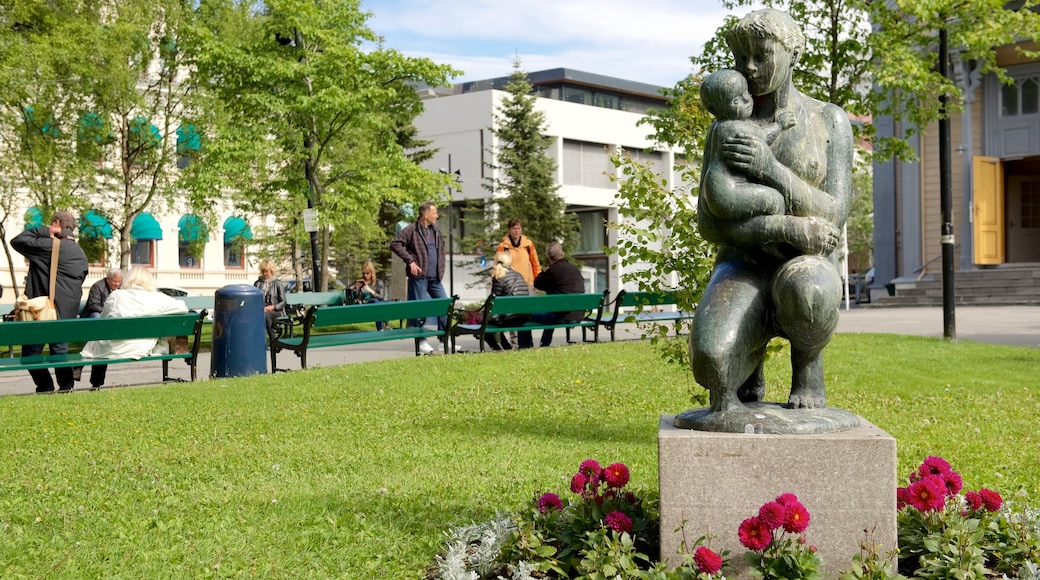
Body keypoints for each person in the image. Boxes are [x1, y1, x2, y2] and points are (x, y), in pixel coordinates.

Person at [690, 8, 853, 417]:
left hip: (805, 262)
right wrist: (780, 226)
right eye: (741, 57)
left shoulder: (828, 120)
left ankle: (807, 367)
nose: (749, 67)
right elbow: (709, 222)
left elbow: (833, 214)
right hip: (743, 263)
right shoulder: (727, 125)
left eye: (761, 55)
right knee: (712, 362)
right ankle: (749, 362)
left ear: (791, 52)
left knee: (809, 294)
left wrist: (769, 170)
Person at [11, 210, 89, 393]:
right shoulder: (80, 253)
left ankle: (45, 386)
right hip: (67, 313)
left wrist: (46, 230)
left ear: (56, 223)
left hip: (43, 312)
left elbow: (18, 240)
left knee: (30, 354)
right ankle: (66, 386)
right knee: (59, 351)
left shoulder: (50, 246)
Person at [80, 266, 189, 390]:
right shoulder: (157, 298)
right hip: (139, 348)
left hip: (111, 348)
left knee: (98, 339)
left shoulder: (116, 296)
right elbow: (183, 307)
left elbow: (104, 320)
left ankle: (96, 384)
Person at [699, 69, 788, 221]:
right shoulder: (731, 126)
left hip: (718, 190)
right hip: (727, 192)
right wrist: (780, 125)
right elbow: (763, 135)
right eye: (736, 100)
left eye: (746, 93)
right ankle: (770, 241)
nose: (747, 100)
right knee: (775, 201)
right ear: (715, 109)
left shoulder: (717, 127)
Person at [389, 201, 447, 355]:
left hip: (435, 277)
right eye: (434, 213)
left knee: (445, 305)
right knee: (420, 309)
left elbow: (441, 249)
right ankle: (422, 341)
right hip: (419, 277)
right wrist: (410, 261)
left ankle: (443, 341)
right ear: (425, 214)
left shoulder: (436, 231)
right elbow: (395, 244)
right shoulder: (411, 230)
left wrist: (441, 267)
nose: (437, 216)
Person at [532, 242, 586, 347]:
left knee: (526, 315)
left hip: (562, 316)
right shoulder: (575, 270)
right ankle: (544, 343)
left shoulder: (553, 271)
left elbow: (537, 283)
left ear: (549, 258)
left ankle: (527, 345)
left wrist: (546, 270)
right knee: (552, 311)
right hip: (579, 315)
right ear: (563, 254)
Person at [484, 251, 532, 350]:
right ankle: (508, 347)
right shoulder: (519, 275)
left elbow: (494, 303)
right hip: (523, 315)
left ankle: (499, 348)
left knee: (484, 327)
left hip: (510, 317)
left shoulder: (499, 277)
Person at [495, 218, 541, 288]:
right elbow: (498, 267)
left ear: (521, 229)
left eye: (518, 228)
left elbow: (536, 265)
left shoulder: (528, 244)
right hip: (510, 284)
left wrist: (538, 282)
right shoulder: (503, 246)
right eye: (514, 228)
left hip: (528, 284)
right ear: (509, 230)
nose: (516, 231)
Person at [254, 259, 287, 343]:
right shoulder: (258, 283)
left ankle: (273, 339)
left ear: (271, 271)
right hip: (261, 309)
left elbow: (283, 302)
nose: (265, 274)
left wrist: (273, 307)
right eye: (263, 272)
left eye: (267, 272)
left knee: (266, 315)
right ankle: (258, 341)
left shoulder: (277, 283)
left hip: (276, 310)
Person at [355, 260, 388, 330]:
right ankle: (385, 323)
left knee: (376, 302)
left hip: (377, 304)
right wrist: (357, 289)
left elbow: (382, 297)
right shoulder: (360, 282)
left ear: (372, 273)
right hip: (366, 305)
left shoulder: (378, 282)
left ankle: (380, 328)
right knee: (375, 301)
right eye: (364, 273)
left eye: (367, 273)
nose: (365, 275)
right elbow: (357, 298)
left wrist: (370, 290)